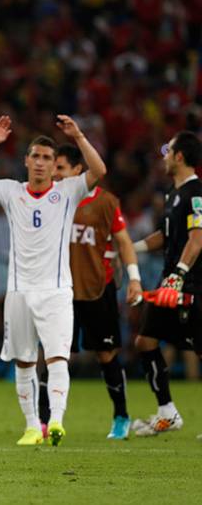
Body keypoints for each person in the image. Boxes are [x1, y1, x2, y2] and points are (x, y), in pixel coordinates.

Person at [0, 115, 106, 446]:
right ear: (26, 161)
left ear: (55, 165)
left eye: (47, 158)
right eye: (36, 157)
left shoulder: (67, 192)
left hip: (55, 291)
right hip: (19, 292)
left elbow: (99, 172)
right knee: (24, 361)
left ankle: (55, 421)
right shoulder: (11, 191)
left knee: (57, 357)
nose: (41, 163)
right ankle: (31, 426)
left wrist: (80, 136)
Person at [48, 143, 142, 440]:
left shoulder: (105, 203)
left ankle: (121, 416)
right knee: (52, 356)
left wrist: (135, 278)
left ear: (78, 171)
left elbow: (124, 241)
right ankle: (40, 422)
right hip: (60, 290)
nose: (54, 173)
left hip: (97, 288)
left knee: (106, 354)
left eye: (60, 168)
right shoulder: (50, 200)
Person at [128, 132, 202, 437]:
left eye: (167, 151)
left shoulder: (197, 194)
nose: (164, 156)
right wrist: (131, 248)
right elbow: (164, 235)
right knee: (145, 341)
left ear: (180, 157)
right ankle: (167, 412)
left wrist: (180, 274)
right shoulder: (173, 195)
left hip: (191, 281)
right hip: (170, 282)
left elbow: (198, 240)